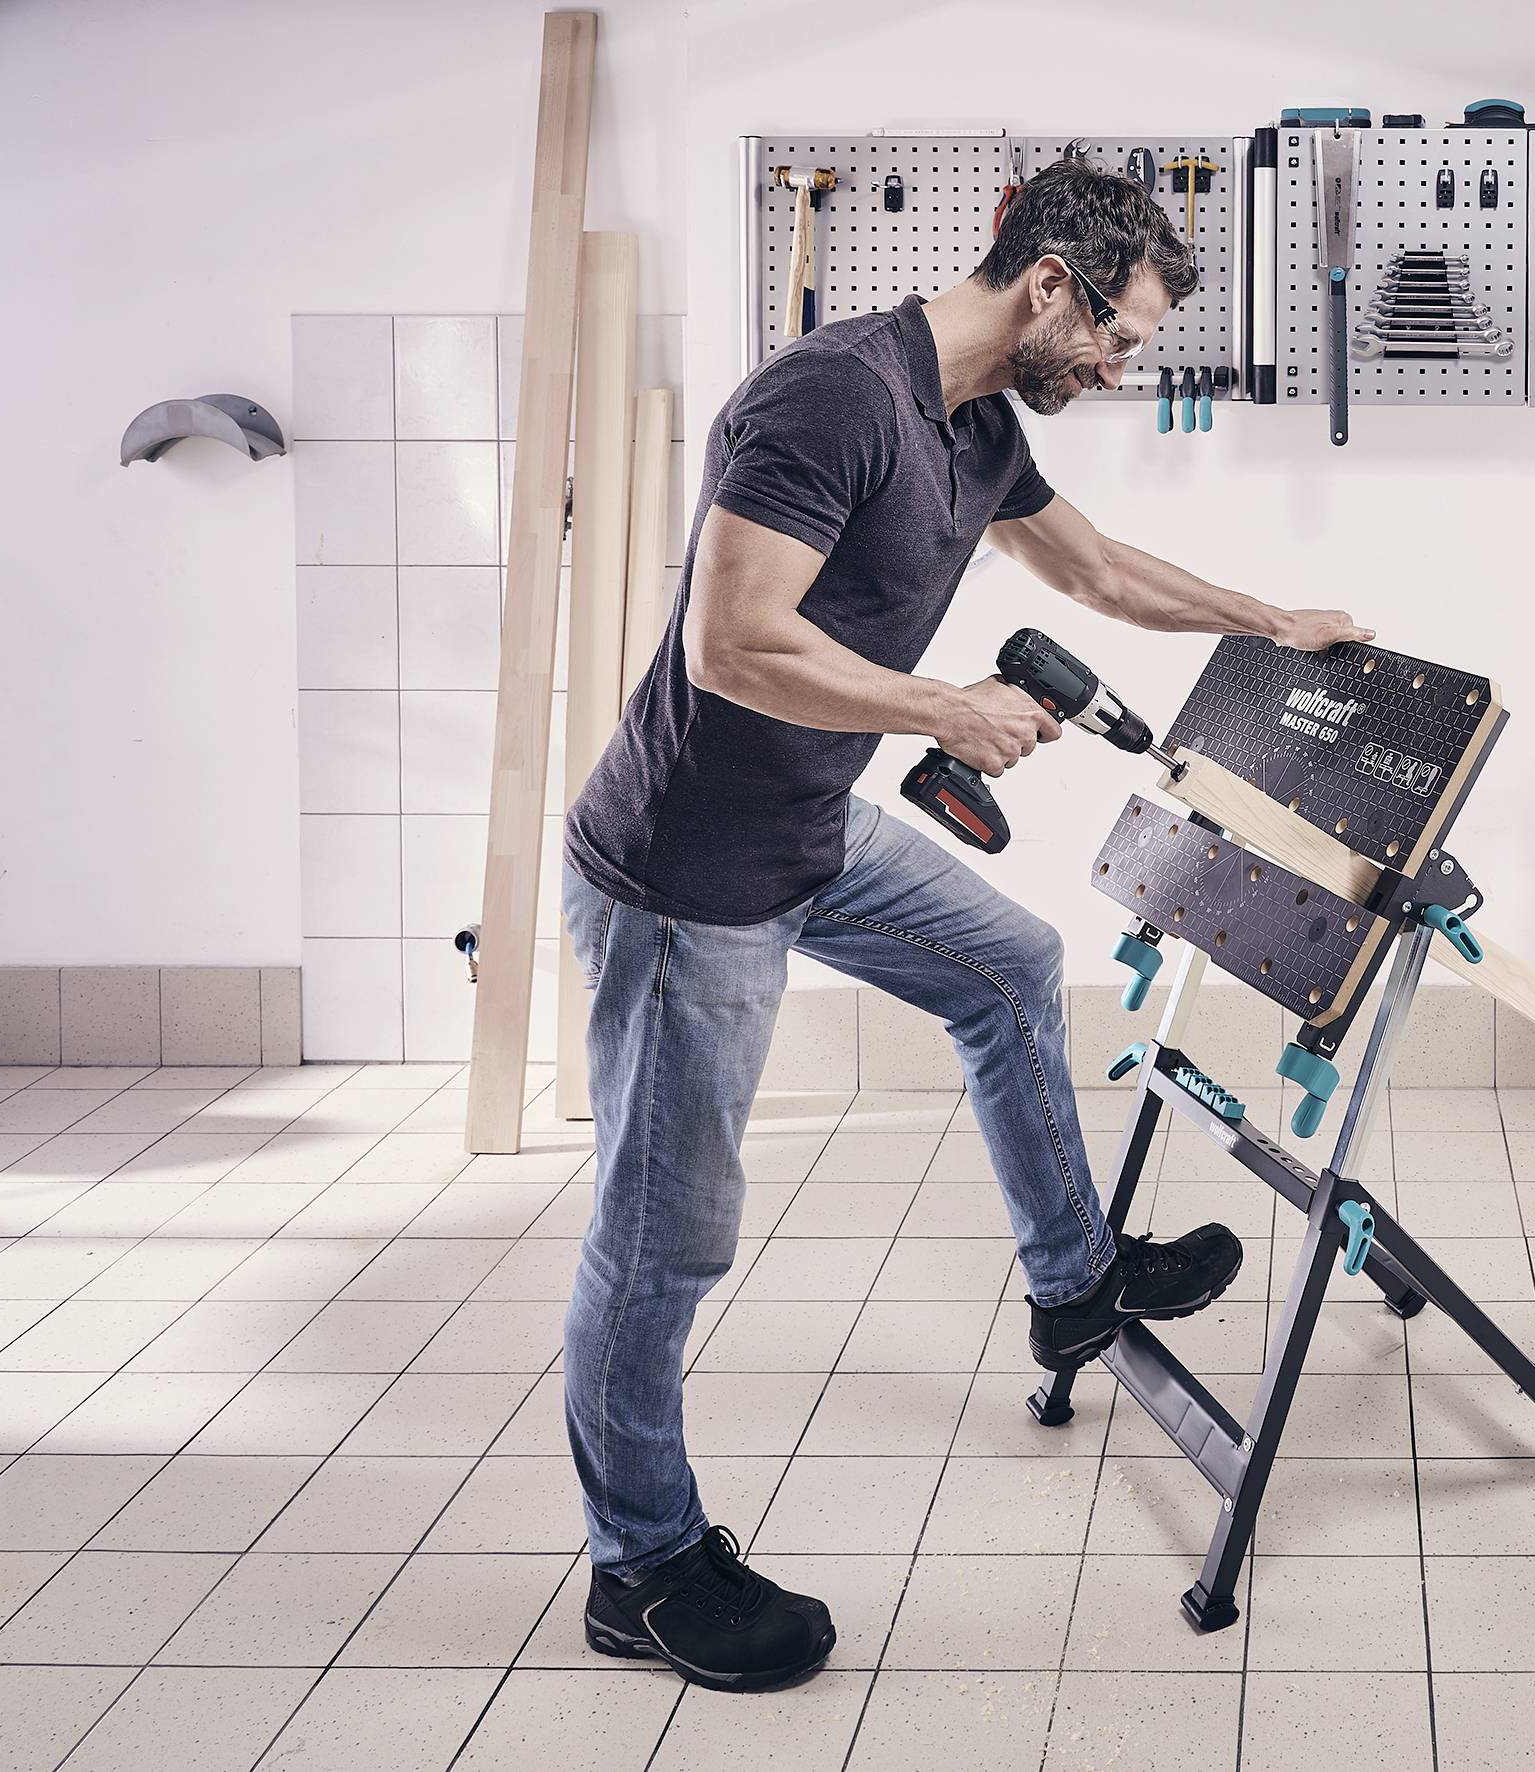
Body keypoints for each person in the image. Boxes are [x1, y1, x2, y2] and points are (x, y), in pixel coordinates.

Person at [556, 159, 1373, 1692]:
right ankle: (642, 1567)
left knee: (1006, 968)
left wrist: (1274, 620)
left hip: (807, 829)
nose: (1123, 372)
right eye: (1120, 339)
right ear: (1048, 281)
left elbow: (1100, 570)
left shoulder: (982, 424)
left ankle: (1075, 1284)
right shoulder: (829, 400)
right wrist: (942, 706)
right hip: (689, 870)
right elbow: (730, 645)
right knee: (665, 1240)